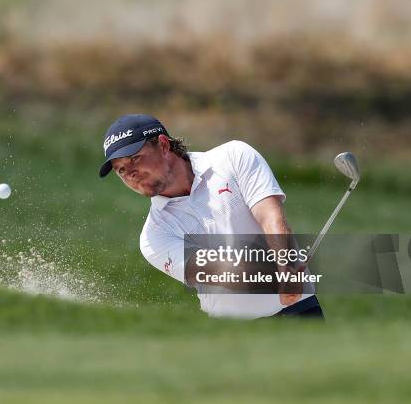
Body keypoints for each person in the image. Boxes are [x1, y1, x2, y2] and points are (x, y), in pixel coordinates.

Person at [99, 114, 324, 319]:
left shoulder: (234, 156)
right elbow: (215, 269)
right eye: (120, 170)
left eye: (135, 158)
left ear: (164, 145)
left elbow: (269, 215)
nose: (130, 174)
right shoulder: (154, 236)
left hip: (300, 312)